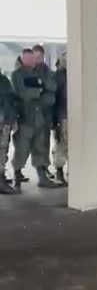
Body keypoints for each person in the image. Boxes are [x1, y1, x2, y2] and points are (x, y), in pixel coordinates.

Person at [11, 48, 60, 189]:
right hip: (25, 118)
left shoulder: (41, 72)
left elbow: (52, 91)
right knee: (22, 148)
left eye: (33, 58)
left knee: (41, 148)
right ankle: (17, 176)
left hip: (41, 118)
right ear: (22, 59)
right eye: (27, 58)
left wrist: (40, 90)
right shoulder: (17, 74)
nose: (31, 61)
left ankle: (42, 178)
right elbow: (22, 93)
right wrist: (39, 91)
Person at [32, 44, 57, 172]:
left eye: (39, 57)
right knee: (35, 143)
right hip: (33, 113)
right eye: (35, 57)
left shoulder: (47, 71)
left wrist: (42, 83)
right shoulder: (28, 70)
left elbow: (53, 87)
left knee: (45, 141)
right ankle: (37, 171)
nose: (37, 60)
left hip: (46, 112)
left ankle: (45, 168)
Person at [0, 68, 17, 195]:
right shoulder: (3, 81)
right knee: (1, 149)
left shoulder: (4, 80)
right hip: (3, 120)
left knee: (3, 149)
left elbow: (11, 101)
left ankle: (1, 177)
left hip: (6, 120)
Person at [52, 51, 68, 185]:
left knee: (75, 145)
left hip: (76, 114)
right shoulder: (57, 76)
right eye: (65, 58)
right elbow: (55, 99)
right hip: (62, 116)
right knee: (61, 144)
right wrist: (57, 119)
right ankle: (59, 171)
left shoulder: (78, 74)